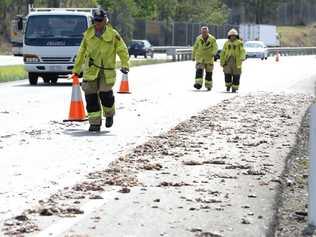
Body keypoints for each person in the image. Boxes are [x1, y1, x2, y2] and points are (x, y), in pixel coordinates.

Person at [72, 9, 129, 132]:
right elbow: (81, 52)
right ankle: (94, 123)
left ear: (105, 20)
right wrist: (76, 70)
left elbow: (122, 50)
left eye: (99, 20)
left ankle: (109, 115)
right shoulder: (88, 35)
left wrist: (125, 65)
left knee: (105, 94)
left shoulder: (113, 35)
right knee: (90, 96)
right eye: (95, 20)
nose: (97, 23)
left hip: (106, 71)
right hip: (91, 70)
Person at [220, 29, 246, 93]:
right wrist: (222, 61)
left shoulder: (239, 43)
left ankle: (234, 87)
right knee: (227, 74)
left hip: (236, 61)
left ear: (236, 36)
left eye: (234, 36)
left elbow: (242, 51)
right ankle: (228, 85)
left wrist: (242, 57)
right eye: (231, 36)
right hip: (227, 61)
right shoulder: (226, 43)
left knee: (236, 75)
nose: (232, 37)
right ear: (229, 36)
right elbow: (223, 52)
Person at [192, 26, 218, 91]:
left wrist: (213, 53)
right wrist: (193, 56)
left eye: (205, 32)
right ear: (201, 32)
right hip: (200, 58)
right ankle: (198, 84)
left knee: (209, 73)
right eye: (203, 32)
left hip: (209, 59)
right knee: (199, 71)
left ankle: (208, 85)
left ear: (208, 32)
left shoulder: (212, 39)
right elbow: (195, 47)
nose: (204, 33)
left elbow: (215, 47)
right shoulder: (198, 38)